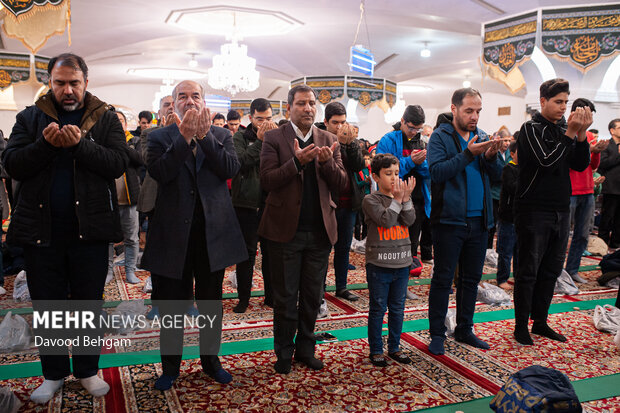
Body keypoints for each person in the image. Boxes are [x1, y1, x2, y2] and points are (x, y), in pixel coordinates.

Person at [2, 53, 128, 403]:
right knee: (49, 306)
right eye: (60, 83)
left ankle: (88, 370)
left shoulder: (104, 118)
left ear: (86, 82)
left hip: (90, 230)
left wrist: (80, 145)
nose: (68, 90)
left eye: (74, 82)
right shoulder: (30, 117)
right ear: (50, 83)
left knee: (89, 304)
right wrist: (45, 144)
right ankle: (54, 373)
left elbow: (117, 164)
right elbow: (12, 162)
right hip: (42, 231)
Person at [142, 80, 247, 389]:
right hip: (172, 234)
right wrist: (184, 135)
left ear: (204, 102)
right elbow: (160, 172)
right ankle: (170, 367)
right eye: (182, 97)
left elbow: (229, 169)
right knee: (173, 305)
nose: (189, 101)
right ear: (173, 104)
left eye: (195, 96)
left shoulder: (222, 134)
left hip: (212, 234)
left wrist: (202, 135)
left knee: (211, 303)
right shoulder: (158, 137)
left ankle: (211, 361)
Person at [259, 84, 347, 374]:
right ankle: (283, 353)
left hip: (320, 232)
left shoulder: (329, 138)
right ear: (289, 108)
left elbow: (342, 183)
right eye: (301, 103)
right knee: (285, 298)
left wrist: (326, 164)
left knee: (312, 297)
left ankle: (306, 349)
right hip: (285, 232)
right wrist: (297, 162)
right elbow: (268, 181)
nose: (308, 108)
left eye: (311, 103)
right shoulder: (274, 138)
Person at [513, 78, 591, 345]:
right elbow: (546, 162)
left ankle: (541, 322)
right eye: (558, 102)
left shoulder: (563, 130)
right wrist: (570, 134)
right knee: (528, 270)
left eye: (566, 102)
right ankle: (521, 325)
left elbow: (580, 166)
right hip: (534, 210)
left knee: (551, 270)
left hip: (560, 209)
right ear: (543, 101)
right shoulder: (530, 129)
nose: (563, 107)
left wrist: (581, 136)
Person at [426, 88, 504, 355]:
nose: (474, 116)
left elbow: (498, 176)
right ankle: (437, 333)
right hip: (449, 221)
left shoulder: (482, 136)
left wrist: (492, 157)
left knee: (471, 280)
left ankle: (465, 329)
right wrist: (469, 154)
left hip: (480, 221)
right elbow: (437, 173)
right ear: (454, 109)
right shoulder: (440, 136)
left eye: (478, 111)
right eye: (469, 110)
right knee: (443, 279)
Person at [363, 153, 416, 367]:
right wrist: (397, 200)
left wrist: (406, 199)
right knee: (378, 308)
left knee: (397, 308)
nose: (394, 178)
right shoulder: (371, 199)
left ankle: (394, 347)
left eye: (397, 173)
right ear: (375, 176)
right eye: (388, 174)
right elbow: (386, 220)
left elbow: (410, 220)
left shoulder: (401, 198)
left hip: (402, 263)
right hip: (379, 264)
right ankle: (376, 349)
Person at [231, 98, 278, 313]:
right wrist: (260, 141)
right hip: (246, 204)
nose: (265, 123)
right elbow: (240, 163)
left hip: (271, 203)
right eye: (260, 119)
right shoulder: (240, 136)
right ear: (251, 118)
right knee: (247, 254)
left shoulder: (278, 137)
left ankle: (271, 296)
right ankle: (243, 298)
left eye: (268, 118)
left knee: (271, 253)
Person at [318, 102, 365, 301]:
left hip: (348, 202)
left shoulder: (352, 141)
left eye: (343, 122)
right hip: (328, 202)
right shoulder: (320, 140)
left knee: (344, 248)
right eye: (335, 123)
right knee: (322, 249)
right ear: (326, 122)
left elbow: (358, 165)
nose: (340, 127)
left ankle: (341, 287)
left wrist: (349, 145)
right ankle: (319, 288)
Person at [377, 105, 433, 272]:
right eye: (411, 128)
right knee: (394, 244)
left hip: (416, 200)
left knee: (411, 244)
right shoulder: (388, 140)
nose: (414, 132)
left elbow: (428, 172)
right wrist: (410, 161)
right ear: (402, 121)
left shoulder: (421, 142)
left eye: (418, 129)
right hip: (393, 199)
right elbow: (385, 172)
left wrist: (421, 162)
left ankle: (405, 280)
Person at [565, 99, 608, 283]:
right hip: (569, 190)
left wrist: (596, 152)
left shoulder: (589, 135)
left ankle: (572, 270)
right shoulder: (566, 131)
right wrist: (586, 148)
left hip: (587, 190)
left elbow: (593, 166)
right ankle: (555, 272)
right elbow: (566, 161)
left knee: (583, 234)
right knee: (561, 234)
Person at [106, 110, 143, 284]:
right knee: (107, 239)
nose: (118, 123)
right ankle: (107, 272)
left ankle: (130, 270)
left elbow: (140, 159)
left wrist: (123, 146)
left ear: (126, 124)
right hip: (108, 200)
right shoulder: (104, 141)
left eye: (120, 120)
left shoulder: (134, 141)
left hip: (130, 199)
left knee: (131, 238)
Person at [496, 141, 518, 290]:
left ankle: (517, 275)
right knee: (505, 251)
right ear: (512, 154)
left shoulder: (528, 169)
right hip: (508, 217)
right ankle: (502, 278)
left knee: (519, 251)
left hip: (522, 218)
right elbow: (513, 188)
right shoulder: (508, 168)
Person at [597, 118, 620, 251]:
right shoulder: (606, 145)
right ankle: (603, 243)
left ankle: (616, 243)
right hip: (611, 188)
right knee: (607, 217)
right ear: (612, 130)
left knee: (619, 219)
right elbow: (602, 164)